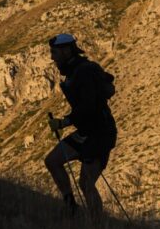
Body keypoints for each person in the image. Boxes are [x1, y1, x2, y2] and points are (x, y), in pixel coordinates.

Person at [43, 33, 117, 216]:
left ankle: (97, 227)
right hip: (86, 132)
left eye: (54, 52)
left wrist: (64, 122)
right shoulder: (76, 71)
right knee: (52, 161)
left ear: (67, 50)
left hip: (100, 134)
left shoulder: (82, 72)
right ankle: (71, 207)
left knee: (86, 182)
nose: (52, 57)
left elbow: (88, 106)